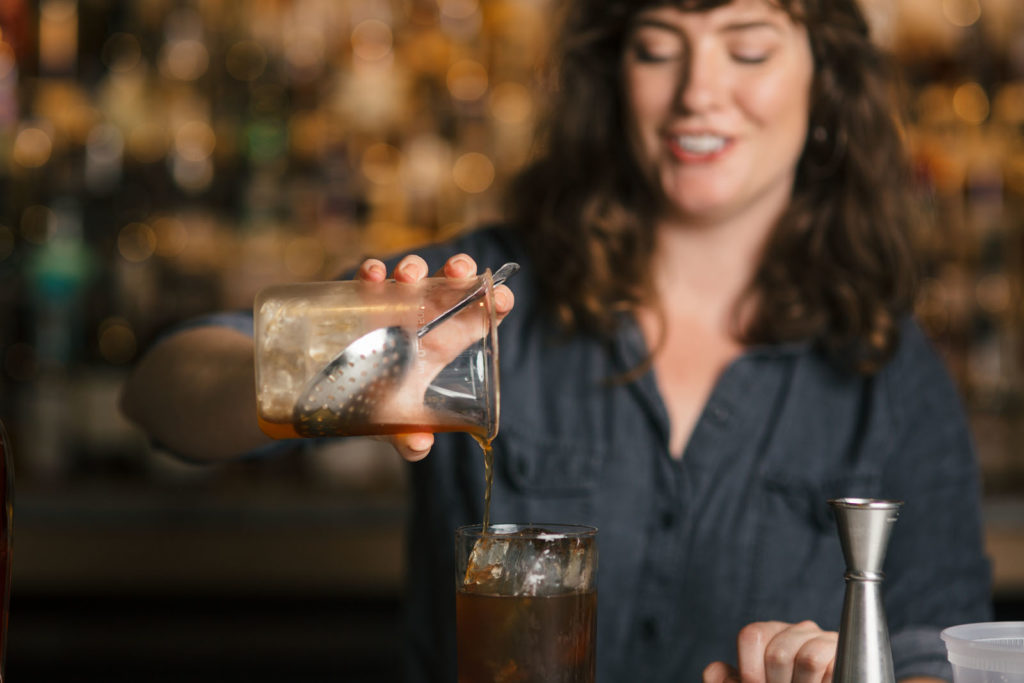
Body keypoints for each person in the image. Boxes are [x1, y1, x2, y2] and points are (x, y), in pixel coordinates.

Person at [120, 0, 994, 681]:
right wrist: (326, 363)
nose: (698, 89)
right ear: (612, 76)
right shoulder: (483, 297)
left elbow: (938, 644)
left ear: (825, 78)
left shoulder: (892, 370)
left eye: (750, 47)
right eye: (658, 47)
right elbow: (160, 390)